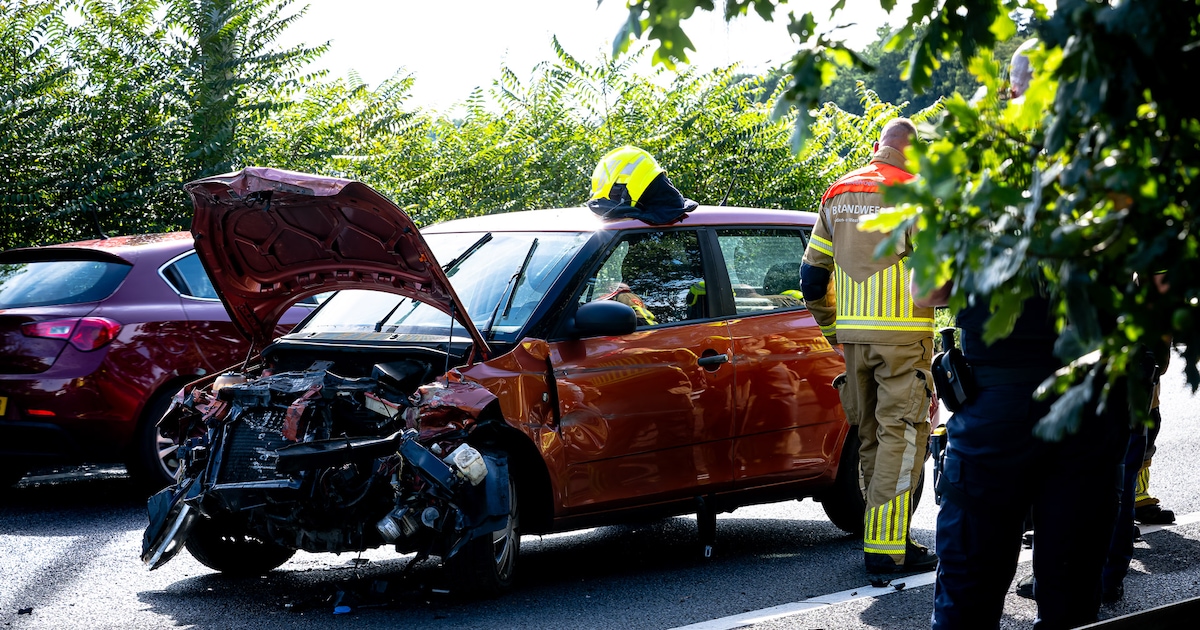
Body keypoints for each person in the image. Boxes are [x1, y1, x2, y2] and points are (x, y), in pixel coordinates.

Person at [925, 42, 1130, 629]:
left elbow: (929, 290)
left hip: (996, 400)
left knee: (969, 591)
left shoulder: (968, 168)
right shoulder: (1111, 165)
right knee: (1072, 595)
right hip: (1089, 397)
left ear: (1010, 90)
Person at [800, 118, 938, 575]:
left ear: (879, 145)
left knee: (871, 437)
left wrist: (833, 331)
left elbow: (811, 277)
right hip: (903, 340)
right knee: (902, 436)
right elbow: (933, 280)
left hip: (854, 342)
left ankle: (880, 538)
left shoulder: (837, 193)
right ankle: (886, 548)